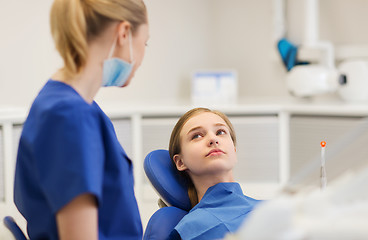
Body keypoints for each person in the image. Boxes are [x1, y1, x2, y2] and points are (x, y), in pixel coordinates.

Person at [13, 0, 149, 239]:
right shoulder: (69, 116)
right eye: (145, 42)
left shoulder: (69, 106)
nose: (142, 56)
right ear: (124, 33)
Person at [168, 108, 262, 240]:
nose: (213, 139)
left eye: (220, 132)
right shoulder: (187, 231)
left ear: (234, 151)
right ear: (180, 162)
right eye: (197, 136)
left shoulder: (270, 210)